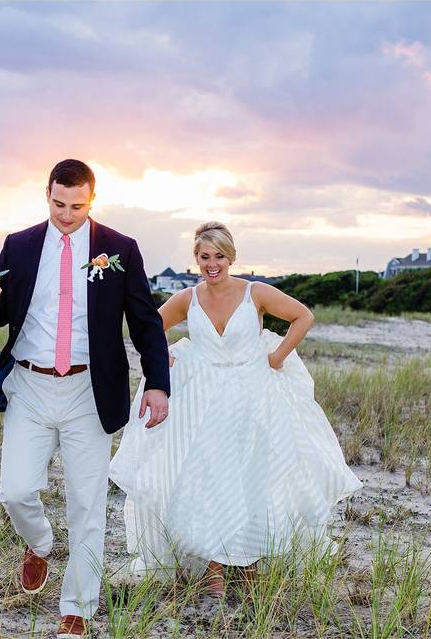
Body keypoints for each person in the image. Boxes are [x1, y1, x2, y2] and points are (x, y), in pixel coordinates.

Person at [0, 159, 171, 638]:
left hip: (89, 391)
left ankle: (78, 609)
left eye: (77, 206)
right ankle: (40, 544)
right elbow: (3, 308)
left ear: (92, 200)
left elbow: (145, 322)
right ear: (46, 195)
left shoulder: (120, 250)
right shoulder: (21, 245)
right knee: (14, 490)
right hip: (29, 386)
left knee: (87, 504)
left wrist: (157, 381)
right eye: (58, 204)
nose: (67, 214)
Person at [109, 221, 362, 600]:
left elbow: (303, 316)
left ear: (231, 257)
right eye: (204, 257)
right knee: (210, 478)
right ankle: (213, 569)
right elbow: (149, 327)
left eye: (219, 257)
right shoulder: (188, 297)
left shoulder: (254, 292)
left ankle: (248, 566)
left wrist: (277, 356)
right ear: (196, 258)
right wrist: (166, 359)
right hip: (205, 401)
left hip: (253, 397)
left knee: (253, 478)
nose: (212, 264)